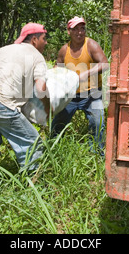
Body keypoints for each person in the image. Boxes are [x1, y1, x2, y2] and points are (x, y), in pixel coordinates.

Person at [0, 22, 49, 172]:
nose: (45, 43)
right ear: (34, 39)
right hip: (1, 104)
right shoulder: (37, 56)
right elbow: (41, 89)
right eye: (44, 38)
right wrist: (48, 108)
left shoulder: (5, 49)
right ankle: (33, 181)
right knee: (33, 143)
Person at [51, 16, 109, 154]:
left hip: (92, 93)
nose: (79, 32)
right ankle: (52, 153)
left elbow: (105, 64)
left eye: (82, 28)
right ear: (68, 31)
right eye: (75, 29)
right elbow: (57, 69)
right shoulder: (64, 50)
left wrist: (87, 73)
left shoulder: (91, 45)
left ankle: (96, 155)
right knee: (57, 125)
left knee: (97, 123)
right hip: (70, 95)